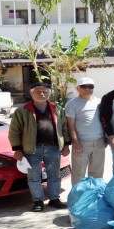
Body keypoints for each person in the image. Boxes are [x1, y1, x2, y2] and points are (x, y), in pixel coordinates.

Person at [9, 82, 70, 212]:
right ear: (31, 93)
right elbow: (14, 131)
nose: (42, 94)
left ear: (49, 93)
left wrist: (66, 145)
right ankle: (38, 201)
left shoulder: (57, 108)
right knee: (34, 176)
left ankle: (54, 198)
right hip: (32, 149)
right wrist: (17, 149)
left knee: (54, 175)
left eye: (45, 91)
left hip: (53, 148)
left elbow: (64, 128)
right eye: (38, 91)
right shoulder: (23, 110)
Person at [64, 77, 105, 185]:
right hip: (81, 143)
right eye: (84, 86)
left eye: (90, 86)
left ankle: (95, 197)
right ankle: (79, 199)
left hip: (99, 142)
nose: (87, 89)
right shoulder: (72, 104)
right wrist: (76, 143)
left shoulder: (99, 102)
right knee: (79, 174)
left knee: (97, 173)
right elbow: (70, 126)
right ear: (78, 88)